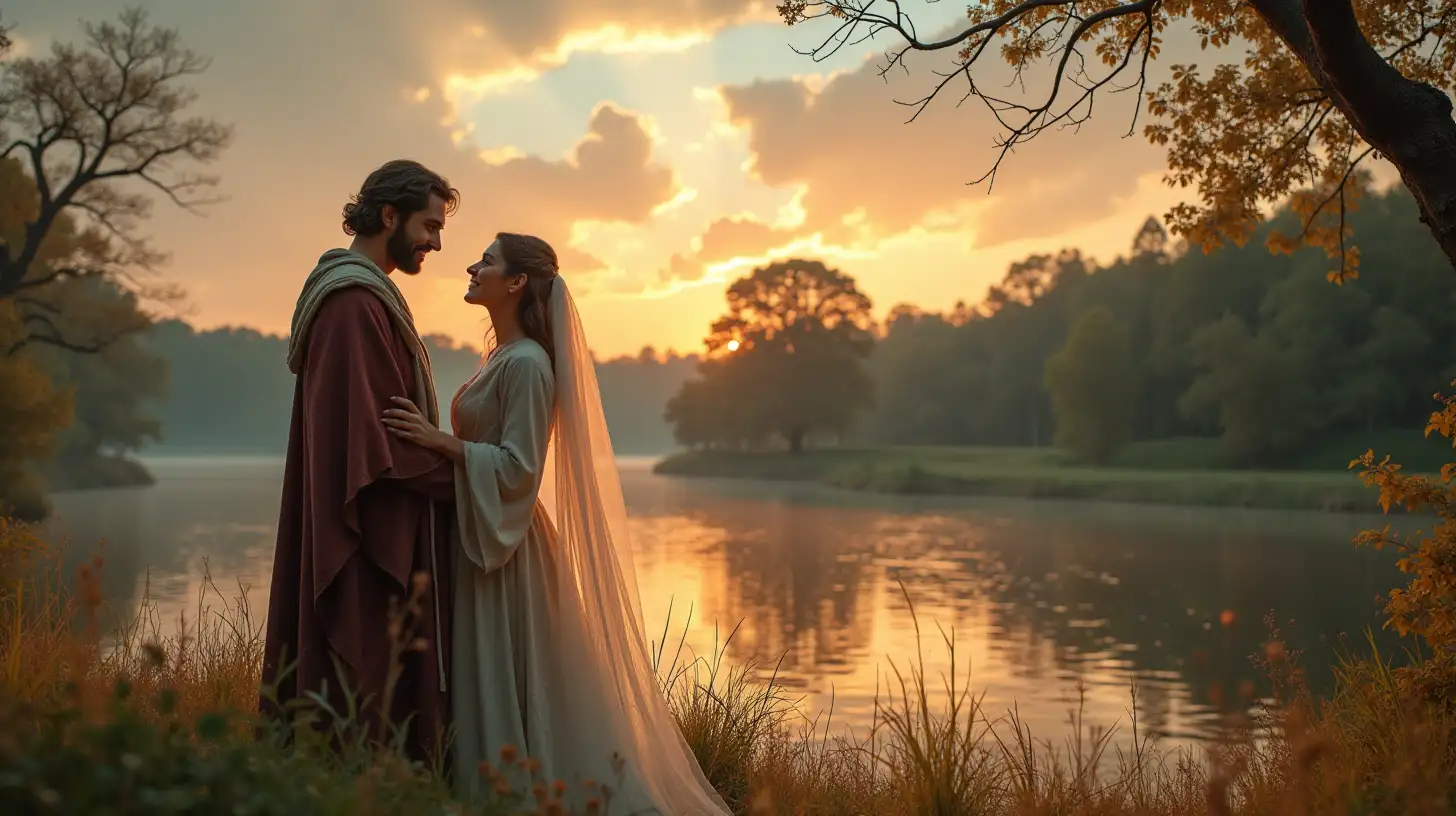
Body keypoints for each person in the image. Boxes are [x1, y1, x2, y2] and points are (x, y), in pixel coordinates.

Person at [382, 233, 731, 813]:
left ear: (517, 282)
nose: (471, 266)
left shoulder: (528, 366)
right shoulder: (500, 357)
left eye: (487, 262)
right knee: (495, 680)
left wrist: (439, 443)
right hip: (484, 531)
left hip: (508, 546)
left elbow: (521, 468)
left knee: (512, 680)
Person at [263, 159, 461, 766]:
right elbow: (373, 445)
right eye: (429, 226)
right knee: (363, 683)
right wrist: (472, 477)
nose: (435, 243)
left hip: (374, 523)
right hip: (366, 538)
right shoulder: (352, 305)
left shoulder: (363, 297)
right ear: (388, 214)